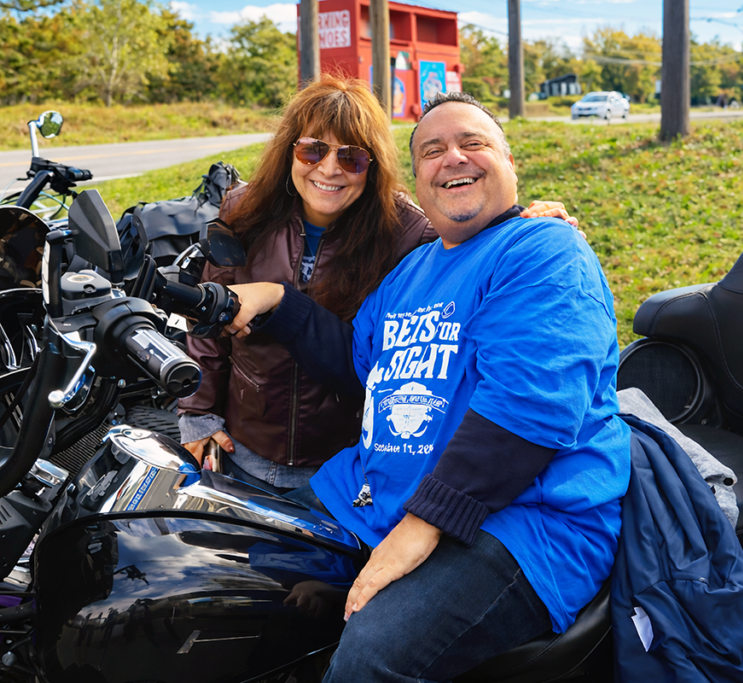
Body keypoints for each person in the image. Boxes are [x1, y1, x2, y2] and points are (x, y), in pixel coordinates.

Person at [224, 91, 631, 682]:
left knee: (370, 655)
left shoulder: (544, 250)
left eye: (474, 143)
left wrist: (421, 526)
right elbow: (355, 362)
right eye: (433, 151)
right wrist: (278, 301)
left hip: (524, 523)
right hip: (381, 494)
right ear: (418, 181)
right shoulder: (410, 271)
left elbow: (530, 407)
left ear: (509, 163)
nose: (453, 159)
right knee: (238, 578)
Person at [177, 75, 579, 493]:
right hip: (242, 449)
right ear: (288, 151)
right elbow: (208, 317)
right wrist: (198, 411)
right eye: (312, 149)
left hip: (342, 462)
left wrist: (529, 224)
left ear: (373, 166)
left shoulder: (407, 232)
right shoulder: (246, 208)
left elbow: (471, 239)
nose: (329, 168)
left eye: (351, 157)